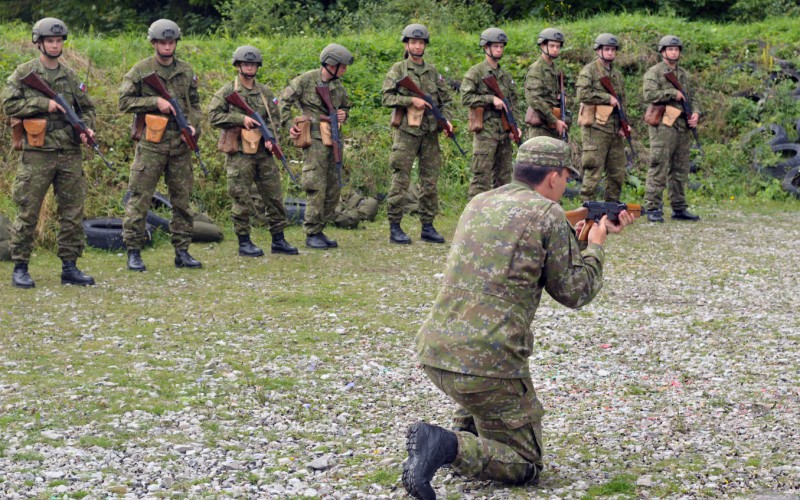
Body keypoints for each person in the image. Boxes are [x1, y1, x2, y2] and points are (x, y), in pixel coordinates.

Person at [403, 136, 633, 499]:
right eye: (566, 178)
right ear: (555, 176)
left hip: (436, 352)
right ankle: (447, 445)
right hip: (488, 365)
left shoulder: (480, 201)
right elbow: (575, 292)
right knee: (526, 464)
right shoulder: (548, 214)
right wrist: (597, 246)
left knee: (484, 380)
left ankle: (469, 431)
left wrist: (570, 241)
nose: (565, 186)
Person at [2, 17, 96, 288]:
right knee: (28, 210)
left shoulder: (70, 76)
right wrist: (45, 103)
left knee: (72, 211)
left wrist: (86, 129)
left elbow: (87, 109)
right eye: (50, 41)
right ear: (39, 43)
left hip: (69, 152)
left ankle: (70, 266)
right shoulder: (24, 73)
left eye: (58, 41)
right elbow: (8, 104)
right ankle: (20, 266)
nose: (55, 45)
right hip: (37, 153)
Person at [119, 19, 203, 272]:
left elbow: (196, 105)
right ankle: (134, 250)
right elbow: (124, 102)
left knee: (182, 200)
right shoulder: (141, 70)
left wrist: (193, 126)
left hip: (180, 144)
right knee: (140, 198)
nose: (167, 47)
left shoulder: (186, 70)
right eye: (162, 42)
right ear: (154, 43)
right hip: (152, 145)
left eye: (171, 42)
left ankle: (182, 250)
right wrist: (155, 101)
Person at [207, 45, 299, 257]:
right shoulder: (228, 92)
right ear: (238, 65)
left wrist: (272, 139)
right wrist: (241, 119)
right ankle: (244, 242)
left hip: (263, 153)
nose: (249, 67)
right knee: (241, 198)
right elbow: (213, 116)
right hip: (240, 153)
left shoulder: (265, 92)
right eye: (245, 64)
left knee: (274, 196)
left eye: (253, 64)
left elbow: (274, 119)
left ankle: (278, 239)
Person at [382, 24, 454, 245]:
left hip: (430, 133)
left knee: (430, 181)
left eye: (421, 42)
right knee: (400, 179)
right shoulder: (398, 70)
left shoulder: (432, 71)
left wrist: (447, 119)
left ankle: (427, 225)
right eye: (413, 42)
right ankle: (395, 226)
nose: (417, 46)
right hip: (407, 133)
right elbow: (386, 98)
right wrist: (410, 100)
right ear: (406, 44)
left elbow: (447, 99)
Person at [279, 44, 353, 249]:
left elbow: (345, 106)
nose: (345, 70)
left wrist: (344, 114)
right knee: (315, 185)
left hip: (333, 138)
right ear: (331, 64)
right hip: (313, 141)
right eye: (342, 66)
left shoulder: (338, 86)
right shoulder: (306, 80)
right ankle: (311, 232)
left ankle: (320, 229)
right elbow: (283, 101)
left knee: (333, 185)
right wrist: (290, 125)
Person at [643, 35, 701, 222]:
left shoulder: (684, 74)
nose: (674, 52)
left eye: (676, 49)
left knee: (680, 168)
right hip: (663, 125)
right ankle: (652, 207)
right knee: (659, 165)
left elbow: (693, 97)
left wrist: (696, 114)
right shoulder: (655, 72)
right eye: (670, 49)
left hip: (683, 125)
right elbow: (649, 94)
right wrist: (672, 93)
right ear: (663, 51)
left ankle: (678, 207)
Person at [461, 27, 519, 199]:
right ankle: (474, 217)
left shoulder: (506, 76)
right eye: (495, 46)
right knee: (481, 177)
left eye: (501, 46)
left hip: (504, 131)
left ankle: (498, 218)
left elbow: (513, 104)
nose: (499, 50)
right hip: (485, 131)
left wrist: (516, 127)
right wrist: (490, 99)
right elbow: (465, 98)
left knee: (504, 178)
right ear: (486, 47)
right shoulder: (476, 72)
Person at [576, 33, 630, 203]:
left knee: (617, 170)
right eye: (606, 49)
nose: (610, 53)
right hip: (596, 128)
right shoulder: (589, 71)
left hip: (614, 128)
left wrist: (624, 124)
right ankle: (587, 206)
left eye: (613, 50)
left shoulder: (616, 74)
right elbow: (582, 94)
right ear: (598, 50)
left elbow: (622, 101)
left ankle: (611, 205)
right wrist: (607, 98)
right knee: (593, 169)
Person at [524, 28, 570, 140]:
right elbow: (534, 99)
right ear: (542, 46)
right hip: (541, 128)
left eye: (558, 47)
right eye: (552, 46)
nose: (555, 49)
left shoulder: (554, 69)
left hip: (554, 124)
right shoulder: (537, 69)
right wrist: (554, 120)